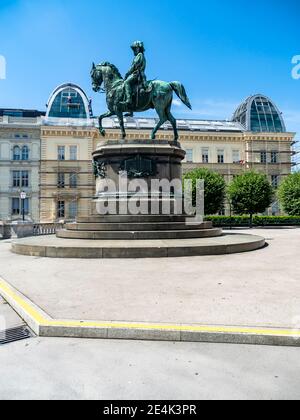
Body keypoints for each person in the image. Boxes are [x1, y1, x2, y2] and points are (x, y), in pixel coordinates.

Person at [121, 41, 147, 111]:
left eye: (135, 48)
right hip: (137, 74)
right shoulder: (139, 55)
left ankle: (128, 100)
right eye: (134, 49)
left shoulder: (139, 55)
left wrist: (127, 73)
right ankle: (130, 110)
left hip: (137, 74)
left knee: (126, 83)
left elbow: (133, 66)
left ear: (139, 48)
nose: (134, 50)